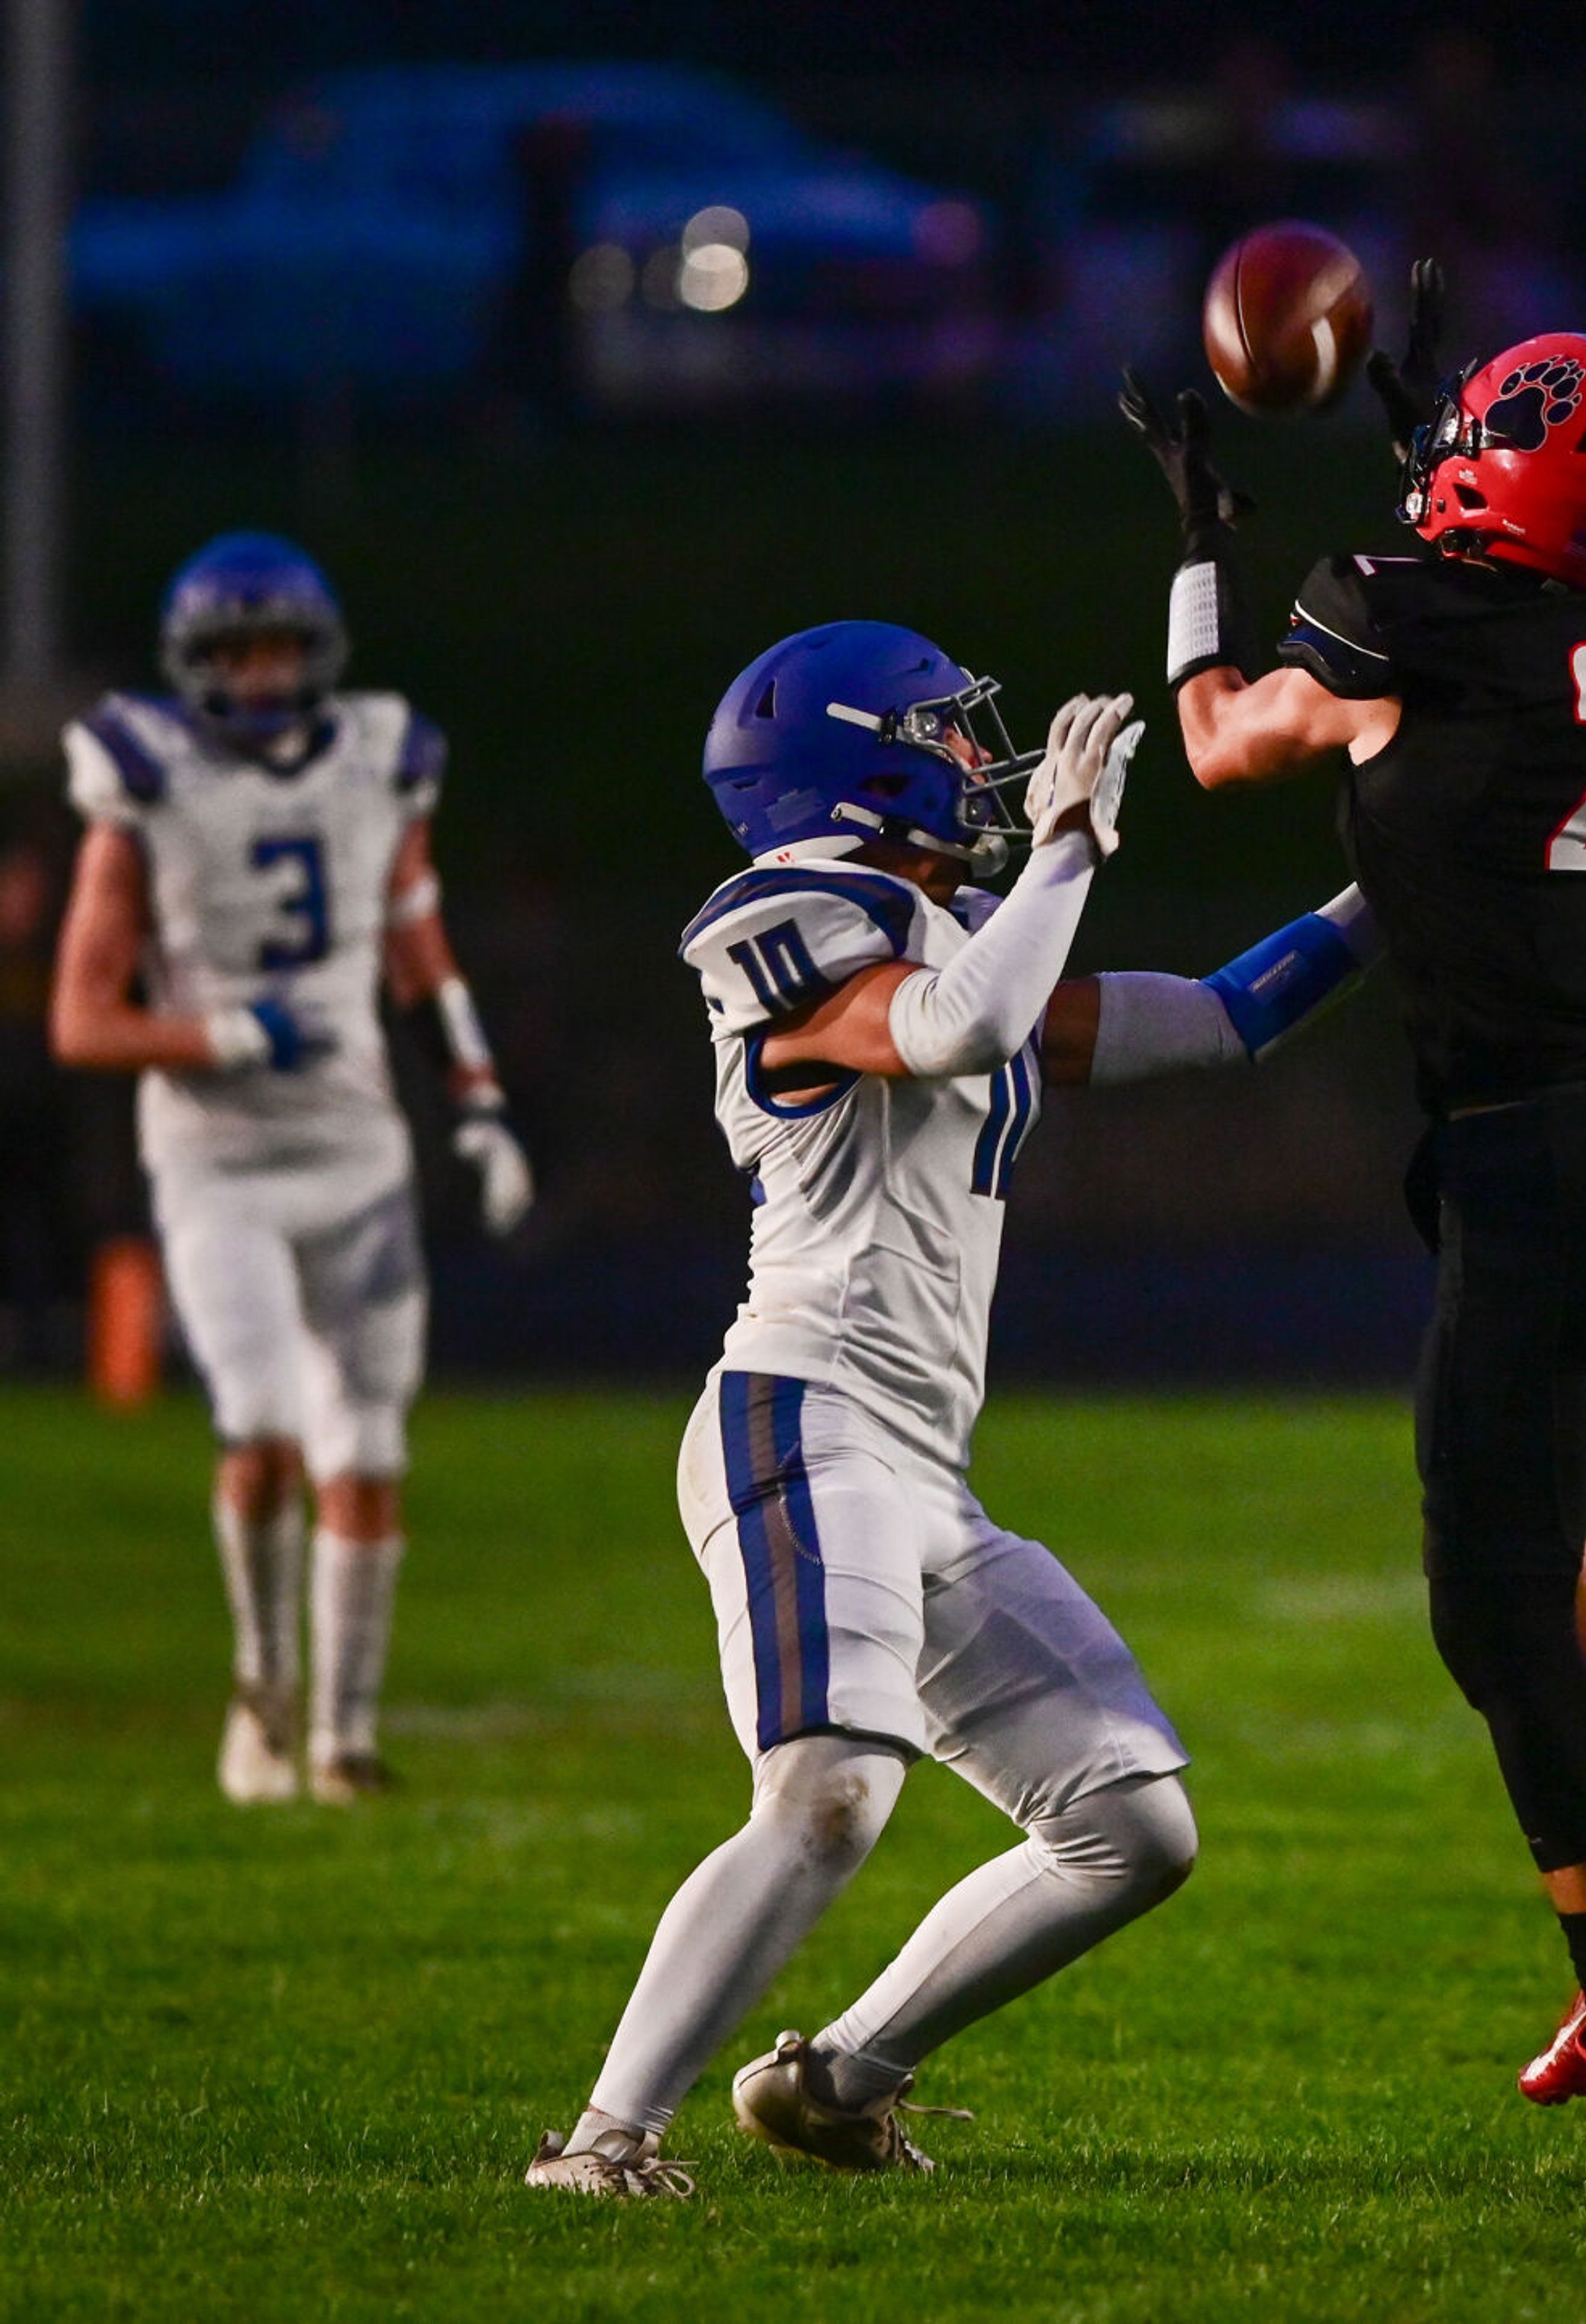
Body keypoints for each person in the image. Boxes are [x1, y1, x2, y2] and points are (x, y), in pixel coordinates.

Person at [525, 621, 1377, 2197]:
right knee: (834, 1788)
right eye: (950, 733)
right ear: (861, 765)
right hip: (800, 1414)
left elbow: (1219, 1015)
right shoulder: (794, 916)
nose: (985, 761)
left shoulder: (972, 924)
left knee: (1136, 1826)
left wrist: (1396, 888)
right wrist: (1060, 848)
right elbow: (950, 1027)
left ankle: (840, 2078)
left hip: (923, 1465)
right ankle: (600, 2141)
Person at [1121, 274, 1586, 2174]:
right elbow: (1515, 627)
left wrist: (1200, 557)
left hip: (1542, 1165)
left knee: (1488, 1598)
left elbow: (1231, 743)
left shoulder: (1399, 616)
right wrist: (1443, 454)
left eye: (1490, 437)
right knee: (1544, 1544)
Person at [49, 532, 533, 1805]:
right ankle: (261, 1690)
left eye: (279, 648)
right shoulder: (143, 779)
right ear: (193, 664)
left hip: (357, 1148)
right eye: (235, 652)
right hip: (217, 1155)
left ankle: (343, 1739)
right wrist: (217, 1032)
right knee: (260, 1427)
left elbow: (419, 944)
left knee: (368, 1446)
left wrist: (476, 1099)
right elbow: (81, 1018)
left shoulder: (381, 758)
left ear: (317, 655)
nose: (262, 675)